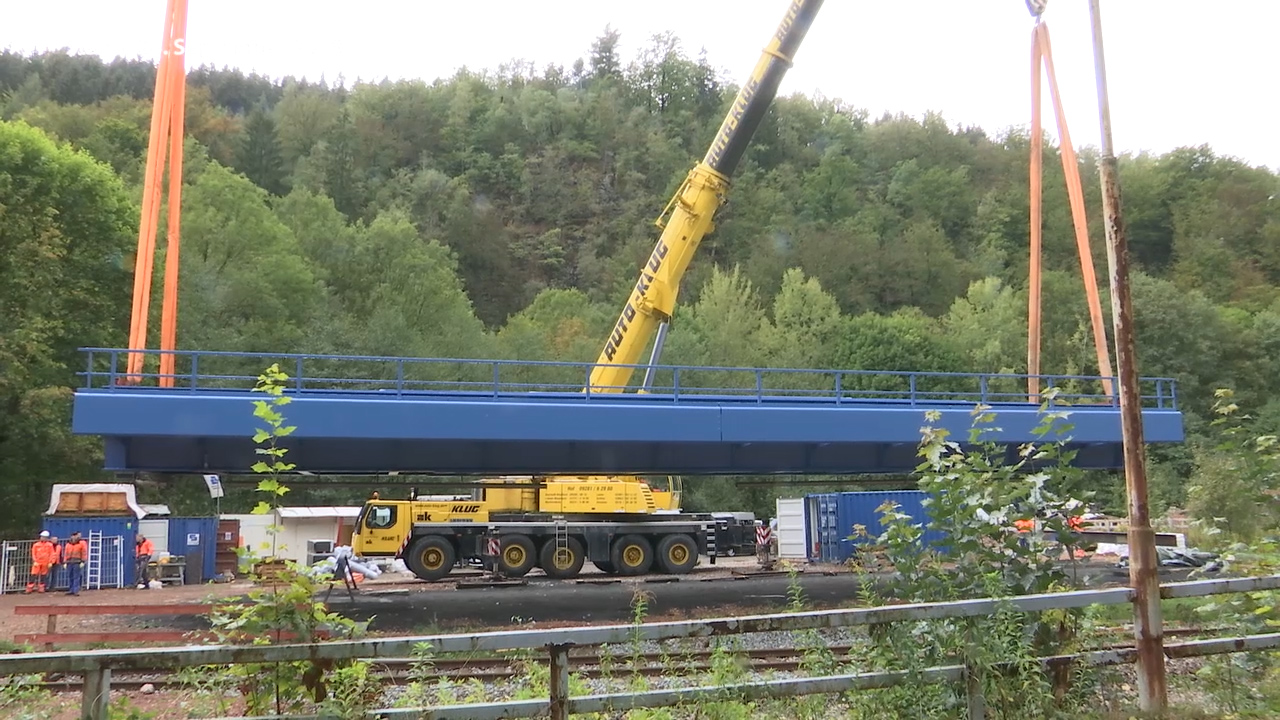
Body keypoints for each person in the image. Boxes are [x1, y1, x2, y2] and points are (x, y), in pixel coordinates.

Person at [62, 531, 88, 595]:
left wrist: (83, 561)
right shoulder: (68, 544)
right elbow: (66, 553)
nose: (74, 537)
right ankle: (71, 590)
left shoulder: (80, 544)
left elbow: (83, 553)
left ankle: (75, 590)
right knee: (70, 576)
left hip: (77, 562)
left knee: (76, 577)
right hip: (69, 562)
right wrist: (65, 562)